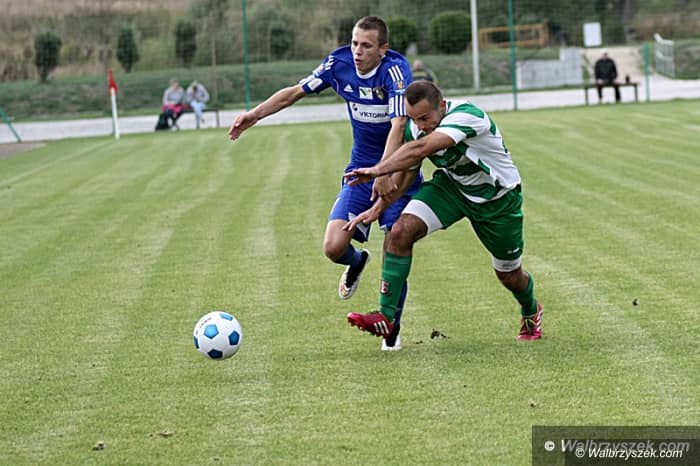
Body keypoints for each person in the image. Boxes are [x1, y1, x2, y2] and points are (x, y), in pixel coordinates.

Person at [228, 16, 421, 351]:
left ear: (383, 49)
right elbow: (294, 92)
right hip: (359, 170)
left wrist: (383, 171)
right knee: (333, 247)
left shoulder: (395, 71)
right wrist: (254, 115)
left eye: (366, 45)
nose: (357, 51)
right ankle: (357, 262)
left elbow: (398, 124)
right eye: (355, 43)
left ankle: (391, 326)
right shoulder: (339, 64)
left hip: (395, 169)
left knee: (395, 242)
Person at [343, 80, 543, 342]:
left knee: (509, 274)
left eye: (425, 118)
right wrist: (378, 207)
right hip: (453, 189)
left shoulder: (468, 115)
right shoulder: (416, 129)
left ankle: (530, 309)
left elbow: (421, 149)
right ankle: (387, 317)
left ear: (443, 106)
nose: (420, 126)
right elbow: (408, 173)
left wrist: (377, 170)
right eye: (414, 119)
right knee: (400, 231)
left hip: (497, 200)